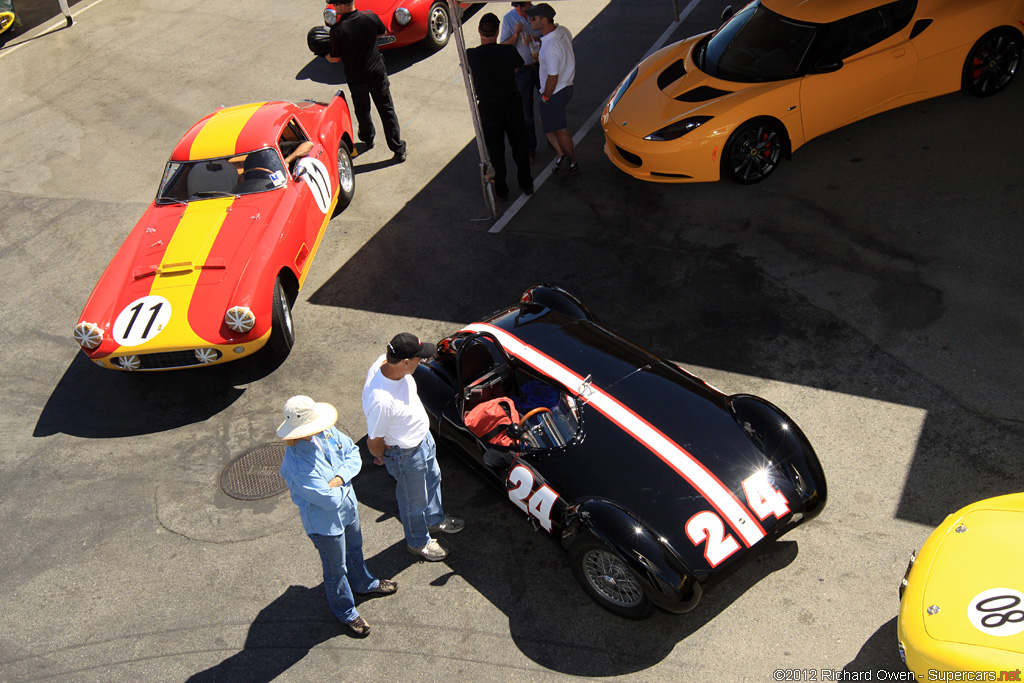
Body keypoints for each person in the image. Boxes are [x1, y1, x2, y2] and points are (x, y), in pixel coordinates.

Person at [277, 395, 398, 638]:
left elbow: (353, 453)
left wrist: (339, 479)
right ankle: (346, 611)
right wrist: (345, 478)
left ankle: (364, 583)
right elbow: (328, 500)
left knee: (355, 549)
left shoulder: (325, 431)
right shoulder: (298, 466)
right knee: (336, 569)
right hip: (325, 525)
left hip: (348, 509)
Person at [362, 333, 464, 561]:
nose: (424, 361)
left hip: (423, 440)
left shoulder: (386, 361)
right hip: (406, 454)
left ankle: (434, 520)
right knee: (413, 502)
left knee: (434, 479)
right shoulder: (381, 400)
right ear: (405, 362)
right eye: (419, 358)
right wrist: (382, 456)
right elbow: (374, 440)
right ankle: (418, 542)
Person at [326, 1, 407, 162]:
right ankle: (398, 149)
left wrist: (325, 55)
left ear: (342, 5)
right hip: (377, 74)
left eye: (334, 4)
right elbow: (382, 33)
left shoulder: (338, 29)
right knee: (387, 110)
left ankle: (367, 137)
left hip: (356, 78)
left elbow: (335, 58)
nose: (333, 7)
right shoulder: (370, 17)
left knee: (362, 110)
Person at [467, 12, 534, 201]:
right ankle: (526, 184)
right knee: (519, 146)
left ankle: (502, 191)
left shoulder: (472, 55)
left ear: (479, 30)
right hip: (510, 102)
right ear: (497, 32)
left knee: (496, 152)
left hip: (488, 107)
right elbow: (518, 66)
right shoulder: (508, 52)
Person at [528, 3, 578, 174]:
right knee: (547, 124)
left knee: (560, 130)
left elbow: (552, 77)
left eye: (533, 18)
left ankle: (571, 162)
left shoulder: (550, 47)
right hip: (565, 87)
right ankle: (561, 156)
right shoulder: (562, 31)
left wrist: (546, 97)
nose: (530, 20)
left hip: (554, 92)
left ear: (544, 20)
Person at [499, 2, 542, 162]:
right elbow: (503, 46)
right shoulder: (509, 18)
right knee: (526, 114)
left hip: (542, 67)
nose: (518, 10)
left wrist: (536, 39)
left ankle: (554, 139)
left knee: (548, 105)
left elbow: (551, 36)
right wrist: (516, 34)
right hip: (523, 70)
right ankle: (531, 148)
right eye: (515, 6)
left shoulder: (540, 13)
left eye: (522, 5)